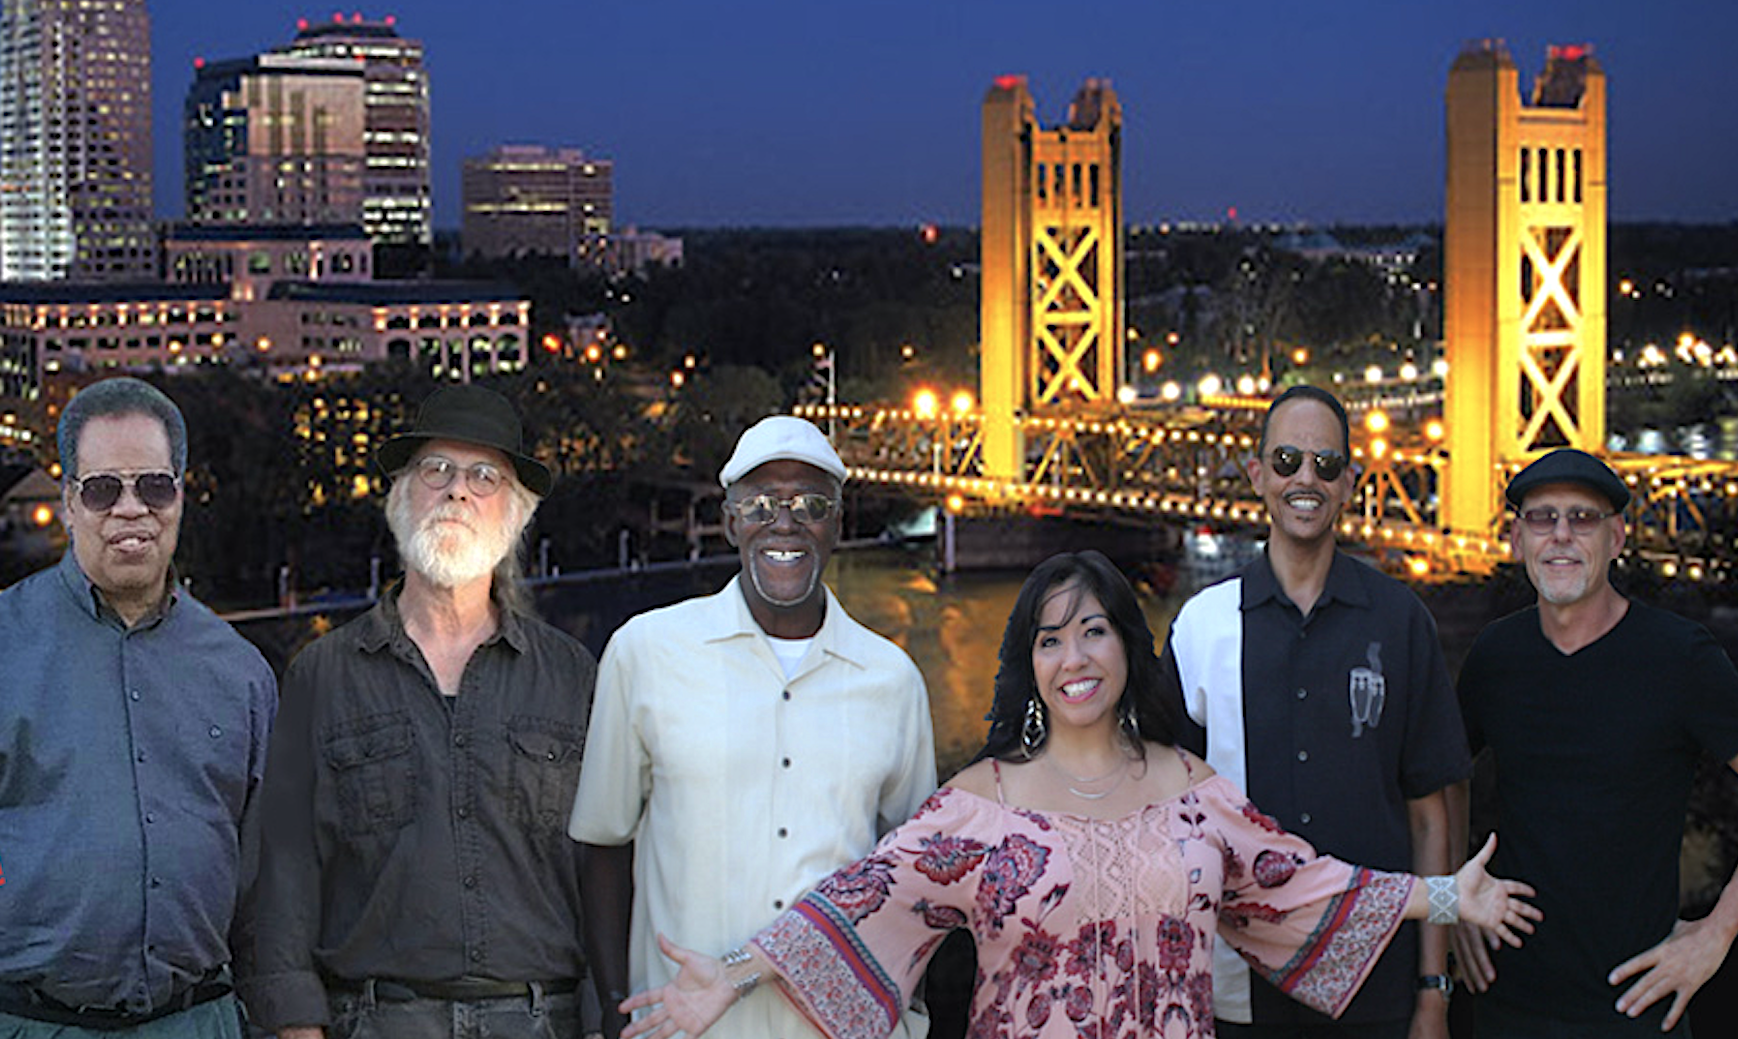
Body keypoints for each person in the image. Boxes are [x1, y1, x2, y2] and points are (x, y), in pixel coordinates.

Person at [614, 551, 1541, 1039]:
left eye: (1094, 631)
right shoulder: (978, 805)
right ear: (1030, 664)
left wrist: (1455, 894)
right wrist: (728, 977)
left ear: (1129, 649)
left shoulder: (1192, 789)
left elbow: (1300, 883)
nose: (1074, 657)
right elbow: (857, 902)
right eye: (1050, 640)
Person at [246, 384, 601, 1039]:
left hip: (541, 1021)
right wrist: (296, 1026)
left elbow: (604, 873)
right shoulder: (322, 675)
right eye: (435, 470)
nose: (457, 492)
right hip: (377, 1020)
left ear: (516, 515)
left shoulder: (572, 674)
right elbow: (283, 876)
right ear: (400, 496)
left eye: (484, 476)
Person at [569, 415, 937, 1039]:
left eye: (811, 506)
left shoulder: (893, 679)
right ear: (730, 519)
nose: (785, 524)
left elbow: (914, 881)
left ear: (839, 526)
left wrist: (911, 1014)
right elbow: (602, 843)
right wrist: (612, 1009)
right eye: (761, 504)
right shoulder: (645, 652)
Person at [1157, 384, 1471, 1039]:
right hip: (1236, 982)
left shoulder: (1401, 620)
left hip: (1379, 980)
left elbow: (1428, 817)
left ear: (1351, 482)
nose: (1306, 478)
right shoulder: (1203, 625)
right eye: (1287, 461)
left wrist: (1433, 994)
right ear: (1256, 476)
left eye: (1326, 465)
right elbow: (1161, 819)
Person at [0, 377, 277, 1036]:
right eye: (102, 489)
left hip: (199, 1020)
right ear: (69, 502)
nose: (130, 508)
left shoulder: (242, 672)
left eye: (154, 485)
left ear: (181, 495)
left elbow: (268, 887)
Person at [1449, 448, 1738, 1036]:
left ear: (1618, 537)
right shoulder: (1495, 656)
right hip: (1508, 1005)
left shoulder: (1682, 658)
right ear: (1514, 539)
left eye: (1583, 518)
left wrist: (1718, 932)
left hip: (1636, 1009)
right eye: (1541, 518)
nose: (1560, 535)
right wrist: (1452, 899)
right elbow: (1441, 779)